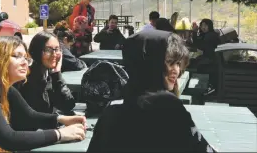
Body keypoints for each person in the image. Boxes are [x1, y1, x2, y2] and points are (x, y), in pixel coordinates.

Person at [87, 30, 216, 152]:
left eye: (178, 63)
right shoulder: (168, 109)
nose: (176, 70)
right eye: (170, 63)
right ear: (151, 64)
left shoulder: (111, 114)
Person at [15, 31, 76, 114]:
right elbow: (40, 112)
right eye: (48, 50)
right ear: (37, 51)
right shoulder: (27, 79)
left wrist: (57, 74)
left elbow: (68, 105)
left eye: (57, 49)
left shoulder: (50, 75)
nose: (54, 54)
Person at [190, 18, 221, 95]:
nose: (203, 27)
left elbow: (199, 45)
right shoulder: (209, 34)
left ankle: (200, 88)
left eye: (205, 25)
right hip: (209, 57)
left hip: (210, 59)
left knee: (195, 64)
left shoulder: (210, 35)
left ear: (210, 26)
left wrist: (194, 32)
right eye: (202, 25)